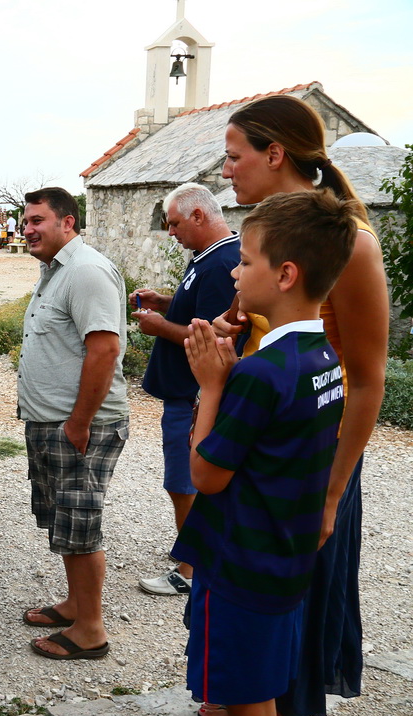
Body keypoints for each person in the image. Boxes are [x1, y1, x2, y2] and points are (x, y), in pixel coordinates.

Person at [202, 94, 389, 716]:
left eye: (234, 156)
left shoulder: (350, 243)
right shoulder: (271, 231)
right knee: (255, 574)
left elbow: (368, 378)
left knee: (303, 581)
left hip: (314, 456)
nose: (226, 171)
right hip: (266, 440)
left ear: (275, 154)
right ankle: (252, 701)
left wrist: (333, 493)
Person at [176, 190, 356, 716]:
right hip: (284, 562)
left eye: (247, 261)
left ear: (285, 275)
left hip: (241, 569)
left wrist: (211, 386)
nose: (234, 271)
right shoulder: (321, 356)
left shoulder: (258, 374)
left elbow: (206, 475)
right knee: (256, 709)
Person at [18, 187, 128, 661]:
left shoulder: (85, 271)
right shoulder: (56, 270)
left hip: (80, 425)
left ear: (68, 223)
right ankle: (76, 605)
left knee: (81, 525)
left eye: (37, 220)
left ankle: (91, 631)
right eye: (25, 221)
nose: (28, 229)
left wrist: (78, 424)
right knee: (66, 520)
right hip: (56, 423)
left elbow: (104, 350)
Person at [133, 184, 240, 597]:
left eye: (175, 223)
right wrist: (165, 302)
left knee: (183, 480)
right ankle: (196, 549)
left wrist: (160, 326)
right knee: (183, 478)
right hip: (187, 393)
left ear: (199, 215)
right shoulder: (209, 257)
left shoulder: (220, 264)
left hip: (192, 396)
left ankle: (191, 568)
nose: (171, 232)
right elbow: (200, 313)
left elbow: (211, 338)